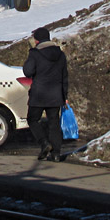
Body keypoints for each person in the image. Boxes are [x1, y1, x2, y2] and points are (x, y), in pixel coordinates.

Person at [23, 26, 68, 162]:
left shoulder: (35, 53)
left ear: (37, 40)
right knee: (54, 123)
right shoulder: (60, 54)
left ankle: (44, 143)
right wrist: (64, 96)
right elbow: (64, 76)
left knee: (32, 119)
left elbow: (28, 72)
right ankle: (56, 154)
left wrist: (30, 59)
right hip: (56, 94)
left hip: (39, 94)